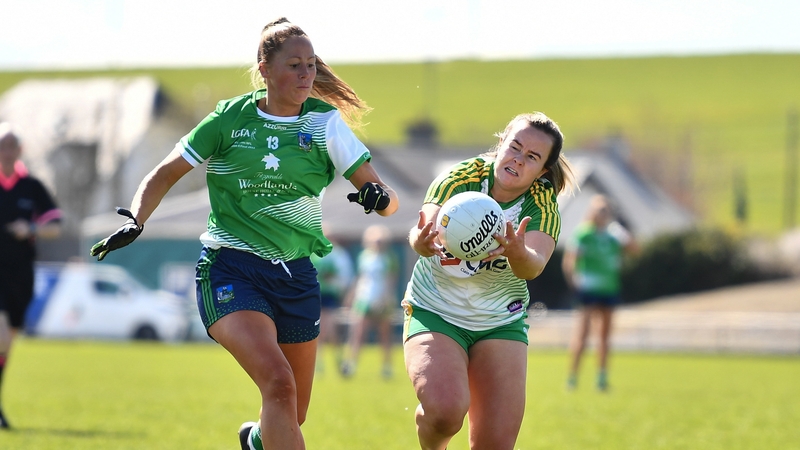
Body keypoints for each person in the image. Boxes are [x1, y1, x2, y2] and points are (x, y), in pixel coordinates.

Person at [89, 17, 399, 450]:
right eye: (294, 65)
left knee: (293, 413)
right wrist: (137, 218)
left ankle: (255, 440)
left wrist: (375, 198)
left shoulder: (324, 124)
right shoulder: (229, 119)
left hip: (297, 276)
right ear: (265, 69)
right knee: (279, 386)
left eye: (311, 64)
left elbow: (387, 199)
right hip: (231, 270)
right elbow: (165, 173)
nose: (306, 74)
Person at [404, 112, 576, 450]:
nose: (518, 159)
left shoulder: (541, 204)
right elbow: (422, 230)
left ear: (542, 171)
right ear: (501, 145)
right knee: (444, 412)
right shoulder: (460, 177)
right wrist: (420, 242)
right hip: (437, 309)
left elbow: (534, 266)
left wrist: (516, 251)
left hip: (499, 321)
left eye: (532, 157)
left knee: (495, 444)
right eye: (515, 147)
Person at [0, 122, 62, 429]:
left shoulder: (32, 186)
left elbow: (55, 224)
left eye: (11, 146)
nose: (6, 152)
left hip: (21, 275)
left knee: (6, 346)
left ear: (20, 151)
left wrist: (31, 229)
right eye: (2, 146)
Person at [562, 194, 637, 392]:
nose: (603, 214)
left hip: (609, 288)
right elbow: (569, 262)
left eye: (606, 211)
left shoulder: (614, 236)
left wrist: (624, 233)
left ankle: (601, 378)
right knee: (583, 335)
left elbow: (635, 250)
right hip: (588, 290)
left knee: (604, 336)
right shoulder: (584, 234)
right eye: (599, 211)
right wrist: (574, 284)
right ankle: (572, 377)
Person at [340, 224, 400, 379]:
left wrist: (386, 298)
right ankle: (351, 364)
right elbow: (360, 278)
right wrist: (351, 296)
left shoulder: (389, 258)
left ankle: (387, 366)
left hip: (382, 300)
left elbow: (391, 280)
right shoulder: (364, 257)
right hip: (364, 299)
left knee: (384, 335)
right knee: (358, 332)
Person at [309, 226, 353, 373]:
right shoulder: (313, 253)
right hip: (315, 294)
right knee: (318, 329)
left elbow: (337, 277)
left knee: (329, 329)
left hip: (329, 296)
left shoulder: (335, 255)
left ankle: (337, 360)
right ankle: (319, 362)